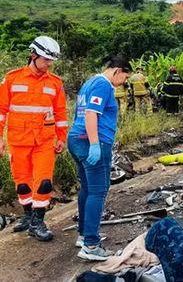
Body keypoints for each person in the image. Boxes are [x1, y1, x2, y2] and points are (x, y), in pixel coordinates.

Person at [0, 36, 68, 241]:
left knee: (44, 182)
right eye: (46, 59)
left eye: (51, 61)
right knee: (22, 183)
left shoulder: (55, 83)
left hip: (44, 141)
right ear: (33, 55)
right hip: (18, 140)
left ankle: (38, 223)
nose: (49, 64)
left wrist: (61, 138)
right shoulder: (12, 79)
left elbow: (61, 113)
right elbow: (1, 111)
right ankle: (28, 216)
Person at [67, 55, 132, 260]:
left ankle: (85, 234)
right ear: (117, 71)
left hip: (76, 140)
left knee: (87, 188)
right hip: (91, 142)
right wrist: (95, 144)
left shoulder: (90, 82)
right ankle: (91, 246)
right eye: (125, 77)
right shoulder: (104, 85)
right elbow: (90, 114)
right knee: (98, 192)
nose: (124, 82)